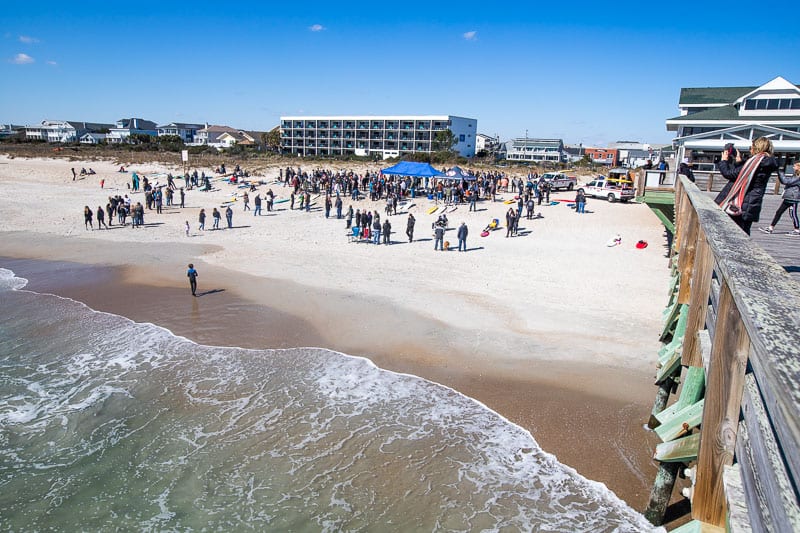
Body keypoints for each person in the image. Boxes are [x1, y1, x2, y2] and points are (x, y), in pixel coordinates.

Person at [716, 137, 779, 235]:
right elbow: (742, 175)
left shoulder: (756, 163)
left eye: (752, 147)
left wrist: (724, 161)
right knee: (743, 232)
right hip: (751, 202)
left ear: (756, 147)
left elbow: (728, 174)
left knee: (735, 234)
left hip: (743, 203)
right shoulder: (762, 162)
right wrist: (739, 162)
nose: (750, 149)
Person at [760, 161, 800, 236]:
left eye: (794, 166)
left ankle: (797, 230)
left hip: (793, 199)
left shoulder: (798, 178)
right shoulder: (795, 175)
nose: (793, 167)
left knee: (793, 214)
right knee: (779, 212)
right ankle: (770, 228)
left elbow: (786, 181)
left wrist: (779, 171)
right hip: (788, 197)